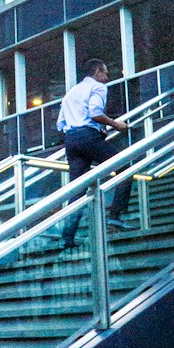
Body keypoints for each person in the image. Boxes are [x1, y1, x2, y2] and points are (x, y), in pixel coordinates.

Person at [57, 59, 133, 249]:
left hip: (71, 140)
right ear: (98, 72)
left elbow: (60, 124)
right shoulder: (98, 88)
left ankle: (67, 237)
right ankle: (115, 218)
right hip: (88, 136)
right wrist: (116, 124)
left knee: (78, 189)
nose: (106, 79)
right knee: (124, 167)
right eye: (105, 74)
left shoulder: (71, 93)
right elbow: (95, 113)